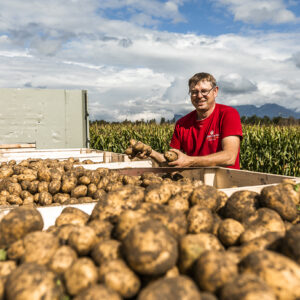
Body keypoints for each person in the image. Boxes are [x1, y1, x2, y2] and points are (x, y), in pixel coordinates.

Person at [148, 72, 243, 169]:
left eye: (204, 91)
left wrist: (190, 161)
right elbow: (173, 161)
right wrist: (151, 152)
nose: (199, 96)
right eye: (194, 92)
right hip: (195, 181)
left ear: (215, 91)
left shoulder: (228, 114)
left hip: (227, 180)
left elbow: (229, 157)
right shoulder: (182, 124)